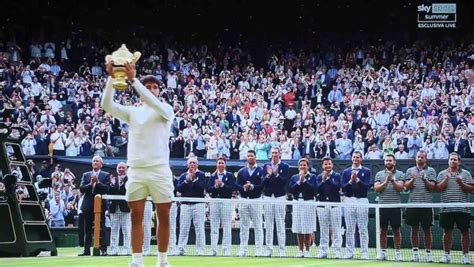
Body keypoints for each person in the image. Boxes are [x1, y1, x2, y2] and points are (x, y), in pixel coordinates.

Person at [102, 62, 175, 267]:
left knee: (164, 215)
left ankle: (162, 260)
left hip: (160, 169)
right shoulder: (132, 112)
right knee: (135, 215)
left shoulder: (166, 109)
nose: (151, 89)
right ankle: (136, 261)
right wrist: (111, 77)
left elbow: (153, 102)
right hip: (136, 171)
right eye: (148, 86)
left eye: (155, 87)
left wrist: (134, 80)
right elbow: (106, 105)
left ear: (159, 90)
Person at [436, 152, 474, 264]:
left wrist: (461, 182)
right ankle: (446, 255)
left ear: (459, 161)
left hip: (462, 208)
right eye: (451, 159)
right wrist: (446, 180)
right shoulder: (442, 174)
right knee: (447, 232)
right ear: (448, 161)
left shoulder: (466, 174)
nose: (453, 161)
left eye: (455, 159)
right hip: (446, 208)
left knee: (465, 232)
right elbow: (438, 188)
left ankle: (466, 256)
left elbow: (471, 189)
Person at [403, 150, 436, 263]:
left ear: (425, 159)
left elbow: (432, 187)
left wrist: (424, 179)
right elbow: (406, 186)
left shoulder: (431, 171)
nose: (420, 159)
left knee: (427, 229)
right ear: (416, 158)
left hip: (426, 204)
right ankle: (415, 253)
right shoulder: (409, 171)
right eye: (418, 157)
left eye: (422, 157)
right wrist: (412, 179)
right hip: (413, 203)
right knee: (414, 229)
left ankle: (428, 254)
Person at [374, 155, 405, 261]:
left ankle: (398, 253)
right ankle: (383, 253)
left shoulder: (400, 174)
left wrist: (392, 180)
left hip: (396, 205)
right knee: (383, 230)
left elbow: (400, 188)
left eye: (390, 160)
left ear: (394, 162)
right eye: (386, 160)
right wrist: (386, 181)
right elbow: (377, 188)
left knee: (396, 230)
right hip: (383, 206)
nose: (388, 162)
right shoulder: (379, 174)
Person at [78, 156, 110, 256]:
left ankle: (103, 250)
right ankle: (86, 250)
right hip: (87, 206)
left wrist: (98, 182)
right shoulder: (86, 175)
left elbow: (106, 189)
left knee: (102, 228)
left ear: (101, 164)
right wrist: (91, 183)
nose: (95, 162)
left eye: (97, 161)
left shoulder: (106, 175)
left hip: (100, 205)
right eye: (94, 161)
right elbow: (82, 189)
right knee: (87, 229)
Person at [341, 151, 371, 259]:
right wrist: (350, 181)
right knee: (349, 228)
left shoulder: (366, 171)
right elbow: (344, 187)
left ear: (361, 159)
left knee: (363, 228)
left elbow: (366, 186)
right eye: (354, 157)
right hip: (349, 200)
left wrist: (357, 180)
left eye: (357, 157)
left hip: (362, 200)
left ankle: (364, 252)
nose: (355, 159)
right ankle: (350, 252)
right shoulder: (346, 171)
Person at [262, 147, 289, 257]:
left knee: (280, 224)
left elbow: (284, 182)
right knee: (268, 224)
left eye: (276, 153)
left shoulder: (285, 166)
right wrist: (268, 175)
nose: (274, 155)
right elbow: (262, 182)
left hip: (280, 197)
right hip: (268, 197)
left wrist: (276, 174)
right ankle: (269, 249)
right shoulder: (266, 166)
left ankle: (282, 249)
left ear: (280, 154)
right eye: (272, 153)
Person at [235, 150, 264, 257]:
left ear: (255, 157)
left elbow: (262, 185)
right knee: (244, 227)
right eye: (248, 156)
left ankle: (259, 250)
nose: (250, 157)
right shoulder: (241, 171)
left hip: (256, 200)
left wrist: (252, 186)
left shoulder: (261, 170)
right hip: (243, 200)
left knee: (258, 226)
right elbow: (236, 185)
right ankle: (243, 249)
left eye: (252, 156)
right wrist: (244, 187)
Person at [176, 157, 207, 256]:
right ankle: (181, 249)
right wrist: (186, 181)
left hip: (198, 204)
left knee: (199, 228)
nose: (192, 164)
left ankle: (200, 250)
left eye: (194, 163)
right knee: (184, 228)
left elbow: (201, 188)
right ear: (187, 165)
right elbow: (179, 189)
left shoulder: (201, 175)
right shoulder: (183, 175)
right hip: (185, 205)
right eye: (190, 163)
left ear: (197, 165)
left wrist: (193, 180)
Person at [207, 156, 236, 256]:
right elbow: (208, 189)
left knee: (227, 226)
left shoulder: (230, 175)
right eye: (219, 163)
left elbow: (232, 188)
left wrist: (222, 185)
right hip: (215, 202)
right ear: (216, 164)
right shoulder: (212, 176)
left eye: (222, 163)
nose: (220, 165)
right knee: (214, 226)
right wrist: (215, 186)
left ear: (225, 164)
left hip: (226, 202)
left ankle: (226, 250)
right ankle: (213, 250)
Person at [288, 158, 317, 258]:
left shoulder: (312, 177)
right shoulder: (294, 177)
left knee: (307, 228)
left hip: (308, 203)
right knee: (299, 228)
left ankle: (307, 250)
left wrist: (304, 181)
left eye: (304, 165)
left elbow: (313, 190)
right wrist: (298, 182)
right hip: (297, 203)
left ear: (308, 166)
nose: (302, 167)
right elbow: (291, 189)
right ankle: (300, 250)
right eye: (301, 165)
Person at [315, 157, 343, 259]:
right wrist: (323, 181)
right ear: (322, 166)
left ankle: (337, 251)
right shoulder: (318, 177)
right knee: (323, 230)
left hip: (335, 205)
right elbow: (316, 190)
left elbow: (337, 188)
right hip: (322, 206)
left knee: (336, 229)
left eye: (329, 164)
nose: (327, 166)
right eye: (325, 164)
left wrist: (328, 180)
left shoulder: (337, 176)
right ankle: (323, 251)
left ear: (332, 165)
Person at [107, 162, 131, 255]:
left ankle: (127, 249)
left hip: (125, 208)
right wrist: (112, 185)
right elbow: (109, 193)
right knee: (114, 229)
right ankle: (114, 249)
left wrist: (122, 183)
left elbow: (128, 192)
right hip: (114, 208)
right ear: (117, 169)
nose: (121, 169)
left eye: (123, 168)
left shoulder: (130, 180)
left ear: (126, 169)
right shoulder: (113, 179)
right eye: (119, 167)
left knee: (126, 229)